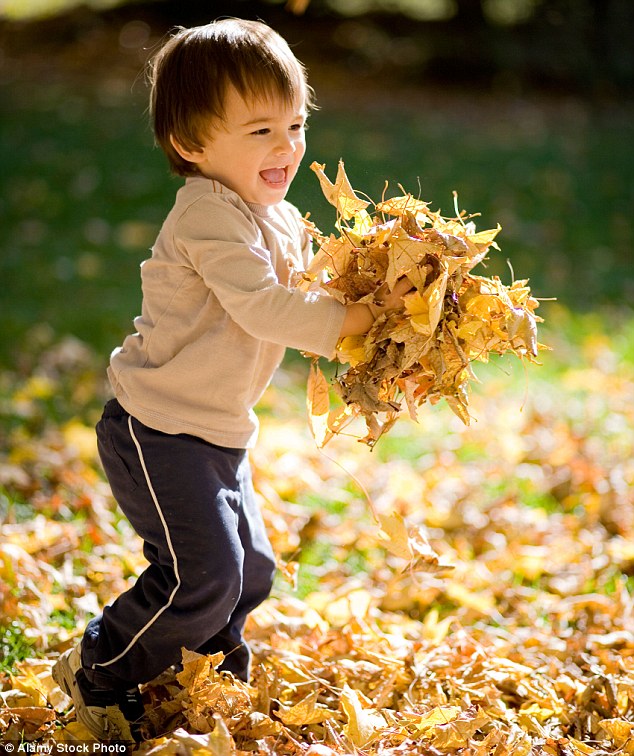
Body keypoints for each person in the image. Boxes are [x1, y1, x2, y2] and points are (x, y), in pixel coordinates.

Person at [52, 17, 410, 741]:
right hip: (157, 431)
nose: (285, 147)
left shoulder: (273, 215)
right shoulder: (206, 219)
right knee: (203, 575)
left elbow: (315, 281)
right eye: (258, 132)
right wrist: (358, 321)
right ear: (191, 146)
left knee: (250, 571)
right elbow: (266, 306)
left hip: (215, 429)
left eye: (295, 124)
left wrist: (385, 284)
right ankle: (98, 667)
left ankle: (208, 677)